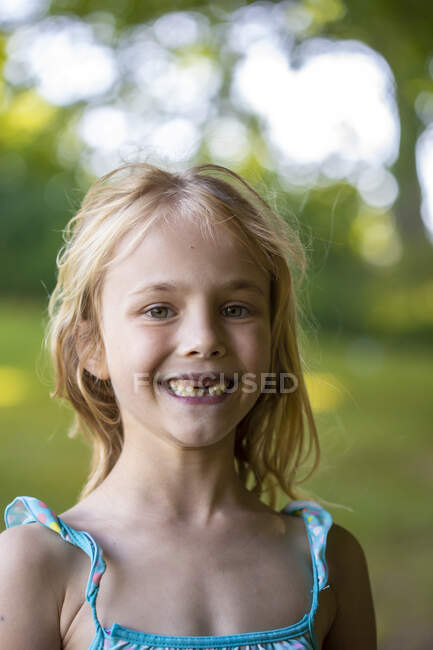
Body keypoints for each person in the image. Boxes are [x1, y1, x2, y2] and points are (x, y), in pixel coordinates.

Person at [0, 162, 377, 649]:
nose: (203, 340)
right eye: (159, 309)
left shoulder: (327, 565)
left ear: (271, 340)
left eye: (236, 309)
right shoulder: (35, 566)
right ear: (90, 347)